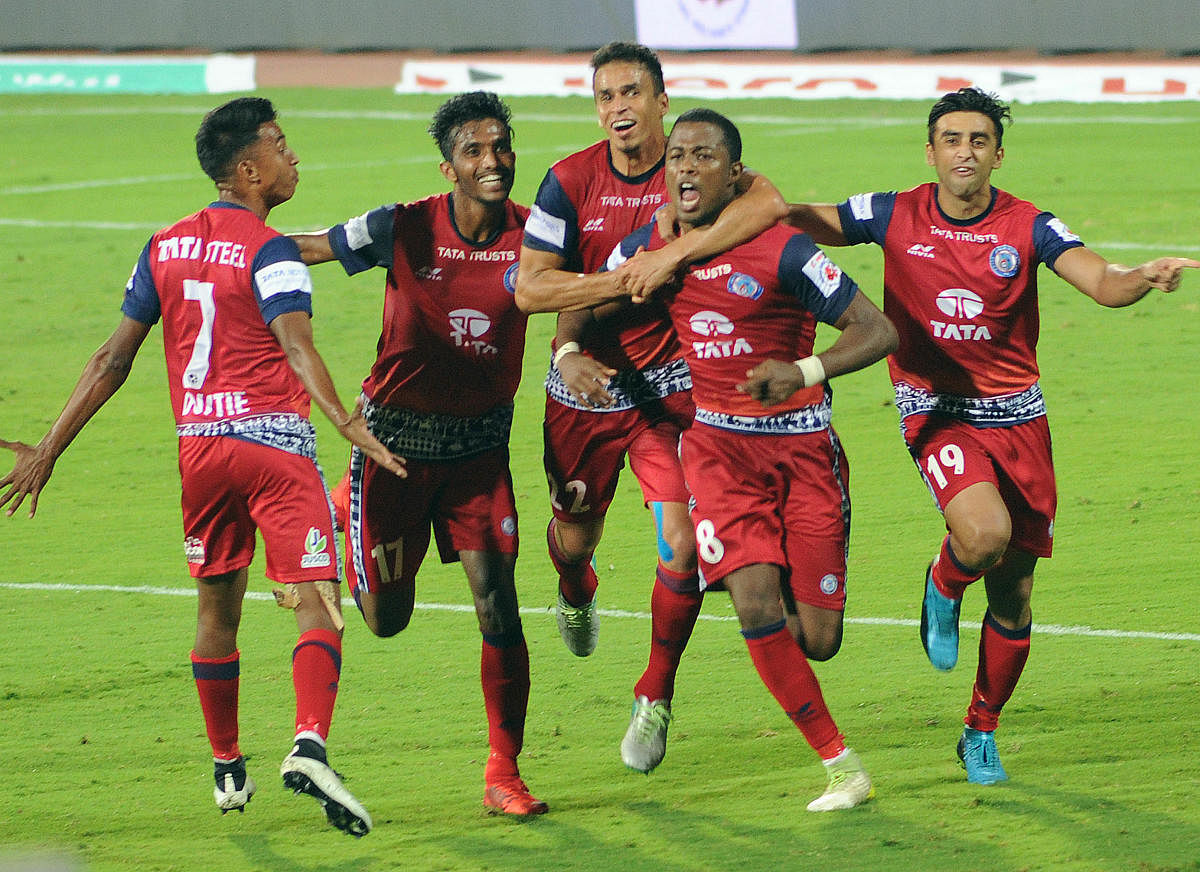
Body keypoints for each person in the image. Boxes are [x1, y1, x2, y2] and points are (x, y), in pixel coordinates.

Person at [0, 97, 406, 835]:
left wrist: (49, 448)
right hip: (274, 446)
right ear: (248, 169)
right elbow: (295, 344)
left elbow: (111, 359)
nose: (295, 157)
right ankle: (310, 744)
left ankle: (226, 765)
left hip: (199, 454)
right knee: (317, 598)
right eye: (282, 145)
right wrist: (344, 421)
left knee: (216, 612)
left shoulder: (163, 245)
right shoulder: (267, 251)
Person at [783, 87, 1199, 785]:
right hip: (936, 409)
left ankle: (980, 729)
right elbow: (810, 222)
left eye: (978, 140)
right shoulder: (891, 212)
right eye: (951, 139)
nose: (964, 151)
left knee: (1014, 595)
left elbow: (1100, 279)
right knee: (982, 535)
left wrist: (1142, 279)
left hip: (1019, 420)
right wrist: (753, 200)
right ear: (931, 152)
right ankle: (942, 586)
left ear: (998, 154)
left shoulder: (1029, 225)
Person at [607, 108, 896, 810]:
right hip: (717, 452)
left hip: (804, 450)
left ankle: (738, 661)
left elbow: (878, 328)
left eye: (702, 156)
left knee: (818, 639)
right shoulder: (647, 247)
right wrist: (569, 351)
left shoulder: (785, 249)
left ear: (734, 173)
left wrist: (804, 370)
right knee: (754, 600)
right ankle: (842, 766)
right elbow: (585, 302)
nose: (684, 169)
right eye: (676, 156)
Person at [515, 41, 788, 774]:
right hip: (586, 388)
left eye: (631, 92)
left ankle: (656, 692)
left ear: (662, 101)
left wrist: (672, 257)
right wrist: (585, 328)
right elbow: (531, 290)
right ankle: (576, 586)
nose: (618, 109)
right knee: (574, 537)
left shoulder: (694, 163)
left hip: (672, 391)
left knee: (681, 543)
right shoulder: (568, 182)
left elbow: (768, 201)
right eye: (605, 97)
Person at [289, 91, 560, 816]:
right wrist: (228, 245)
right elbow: (308, 248)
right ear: (449, 167)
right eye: (474, 150)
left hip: (479, 453)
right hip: (393, 451)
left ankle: (504, 772)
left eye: (500, 145)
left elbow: (594, 285)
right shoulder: (402, 226)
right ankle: (337, 523)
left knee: (497, 603)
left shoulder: (539, 235)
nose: (493, 160)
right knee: (386, 620)